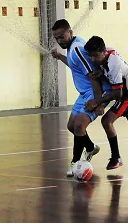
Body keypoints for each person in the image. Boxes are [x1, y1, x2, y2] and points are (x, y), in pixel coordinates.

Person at [83, 36, 128, 170]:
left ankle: (116, 157)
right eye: (90, 56)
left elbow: (117, 94)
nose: (92, 59)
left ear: (103, 52)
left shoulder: (113, 64)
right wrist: (100, 71)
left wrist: (97, 102)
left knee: (106, 121)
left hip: (127, 96)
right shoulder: (108, 53)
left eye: (95, 56)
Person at [51, 19, 106, 177]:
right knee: (71, 126)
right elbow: (75, 65)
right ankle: (90, 148)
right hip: (84, 93)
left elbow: (93, 77)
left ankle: (75, 163)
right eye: (57, 38)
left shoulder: (76, 49)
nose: (60, 40)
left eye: (62, 36)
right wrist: (60, 57)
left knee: (79, 127)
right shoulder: (72, 47)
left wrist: (98, 101)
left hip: (93, 92)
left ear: (70, 32)